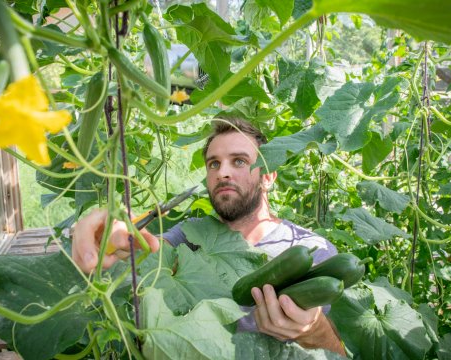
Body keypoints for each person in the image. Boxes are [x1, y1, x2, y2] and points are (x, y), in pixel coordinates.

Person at [72, 118, 347, 356]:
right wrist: (109, 239)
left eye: (239, 161)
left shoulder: (313, 250)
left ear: (268, 176)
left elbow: (339, 355)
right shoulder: (189, 234)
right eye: (213, 164)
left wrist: (313, 331)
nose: (222, 172)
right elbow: (145, 253)